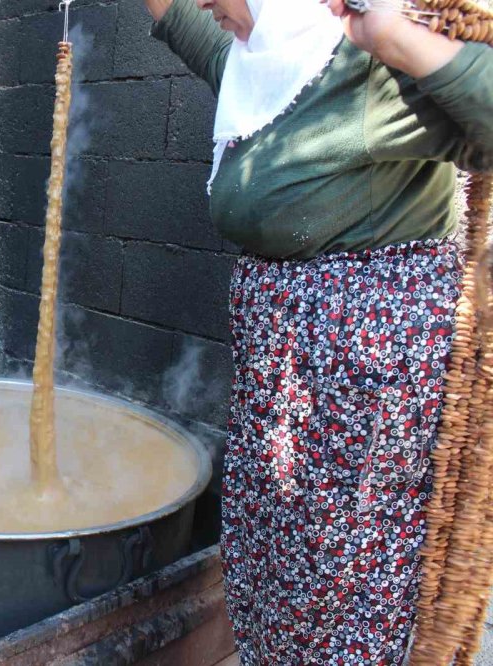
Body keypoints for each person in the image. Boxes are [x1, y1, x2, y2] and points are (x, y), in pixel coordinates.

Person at [142, 0, 492, 663]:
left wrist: (400, 39)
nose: (205, 6)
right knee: (274, 570)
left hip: (359, 404)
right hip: (283, 397)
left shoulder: (361, 66)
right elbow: (175, 16)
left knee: (342, 592)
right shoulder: (255, 62)